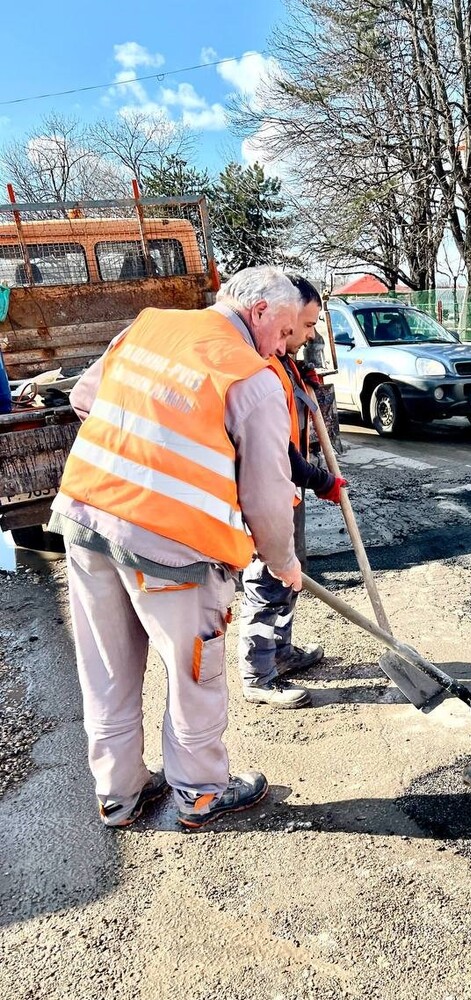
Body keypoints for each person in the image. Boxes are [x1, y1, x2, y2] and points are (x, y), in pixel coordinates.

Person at [48, 266, 303, 828]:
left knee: (107, 670)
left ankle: (120, 794)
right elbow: (267, 494)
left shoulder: (148, 327)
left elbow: (84, 396)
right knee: (196, 675)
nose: (282, 348)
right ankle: (201, 791)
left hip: (87, 519)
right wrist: (283, 563)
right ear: (259, 311)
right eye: (284, 333)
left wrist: (149, 452)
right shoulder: (250, 378)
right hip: (173, 551)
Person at [238, 274, 347, 708]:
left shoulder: (283, 360)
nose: (308, 333)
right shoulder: (261, 361)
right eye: (305, 325)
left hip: (288, 492)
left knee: (288, 579)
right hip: (268, 491)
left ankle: (280, 652)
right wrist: (322, 481)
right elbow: (277, 450)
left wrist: (302, 379)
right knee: (267, 579)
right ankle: (257, 675)